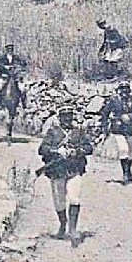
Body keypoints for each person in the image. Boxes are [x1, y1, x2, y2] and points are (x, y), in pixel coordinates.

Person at [38, 104, 93, 245]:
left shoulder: (79, 131)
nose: (67, 119)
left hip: (74, 169)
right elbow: (42, 149)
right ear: (60, 118)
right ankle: (63, 224)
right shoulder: (53, 132)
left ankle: (72, 229)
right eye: (64, 116)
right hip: (57, 171)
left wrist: (77, 151)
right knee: (59, 202)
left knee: (75, 199)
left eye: (70, 116)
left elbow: (89, 147)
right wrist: (56, 151)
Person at [101, 81, 132, 183]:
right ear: (119, 90)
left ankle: (129, 172)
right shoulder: (114, 100)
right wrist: (105, 127)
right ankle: (125, 173)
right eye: (122, 89)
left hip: (131, 129)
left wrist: (131, 116)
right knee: (123, 150)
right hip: (118, 129)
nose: (124, 91)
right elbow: (105, 113)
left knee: (130, 152)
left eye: (126, 88)